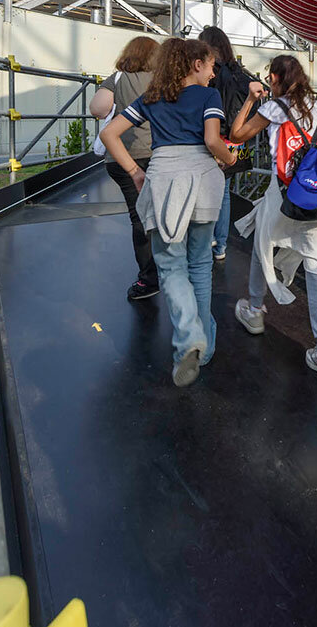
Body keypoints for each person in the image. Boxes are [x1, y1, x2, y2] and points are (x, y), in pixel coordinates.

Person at [101, 39, 238, 387]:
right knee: (200, 264)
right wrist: (231, 158)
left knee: (171, 265)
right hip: (204, 180)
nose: (212, 74)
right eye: (210, 66)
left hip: (164, 179)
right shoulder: (209, 97)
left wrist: (134, 171)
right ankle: (203, 346)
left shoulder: (151, 98)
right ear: (195, 64)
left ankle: (189, 335)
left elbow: (109, 133)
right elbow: (211, 140)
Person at [229, 54, 317, 384]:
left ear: (278, 79)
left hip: (285, 193)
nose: (268, 82)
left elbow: (237, 135)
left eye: (270, 78)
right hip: (316, 195)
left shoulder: (273, 108)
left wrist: (250, 99)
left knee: (263, 244)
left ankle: (254, 310)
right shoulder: (315, 106)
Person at [89, 36, 161, 302]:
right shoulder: (160, 79)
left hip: (123, 157)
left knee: (139, 217)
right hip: (157, 154)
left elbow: (98, 108)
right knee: (165, 213)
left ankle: (148, 279)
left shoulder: (117, 78)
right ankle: (172, 268)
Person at [197, 25, 255, 262]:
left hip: (214, 138)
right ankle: (220, 245)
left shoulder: (213, 73)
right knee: (224, 193)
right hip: (235, 140)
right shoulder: (240, 73)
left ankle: (207, 238)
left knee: (207, 192)